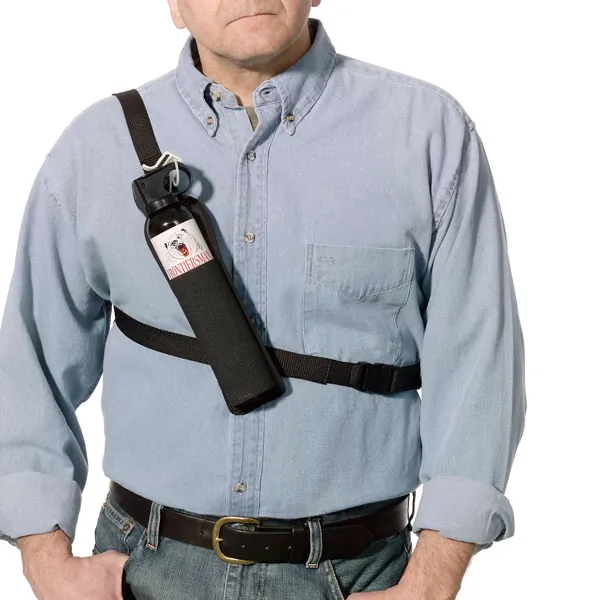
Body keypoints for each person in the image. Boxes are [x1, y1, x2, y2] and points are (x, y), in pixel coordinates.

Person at [0, 1, 527, 599]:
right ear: (174, 6)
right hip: (145, 568)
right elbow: (29, 367)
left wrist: (432, 580)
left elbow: (479, 364)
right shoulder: (97, 147)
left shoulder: (427, 134)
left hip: (357, 574)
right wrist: (46, 560)